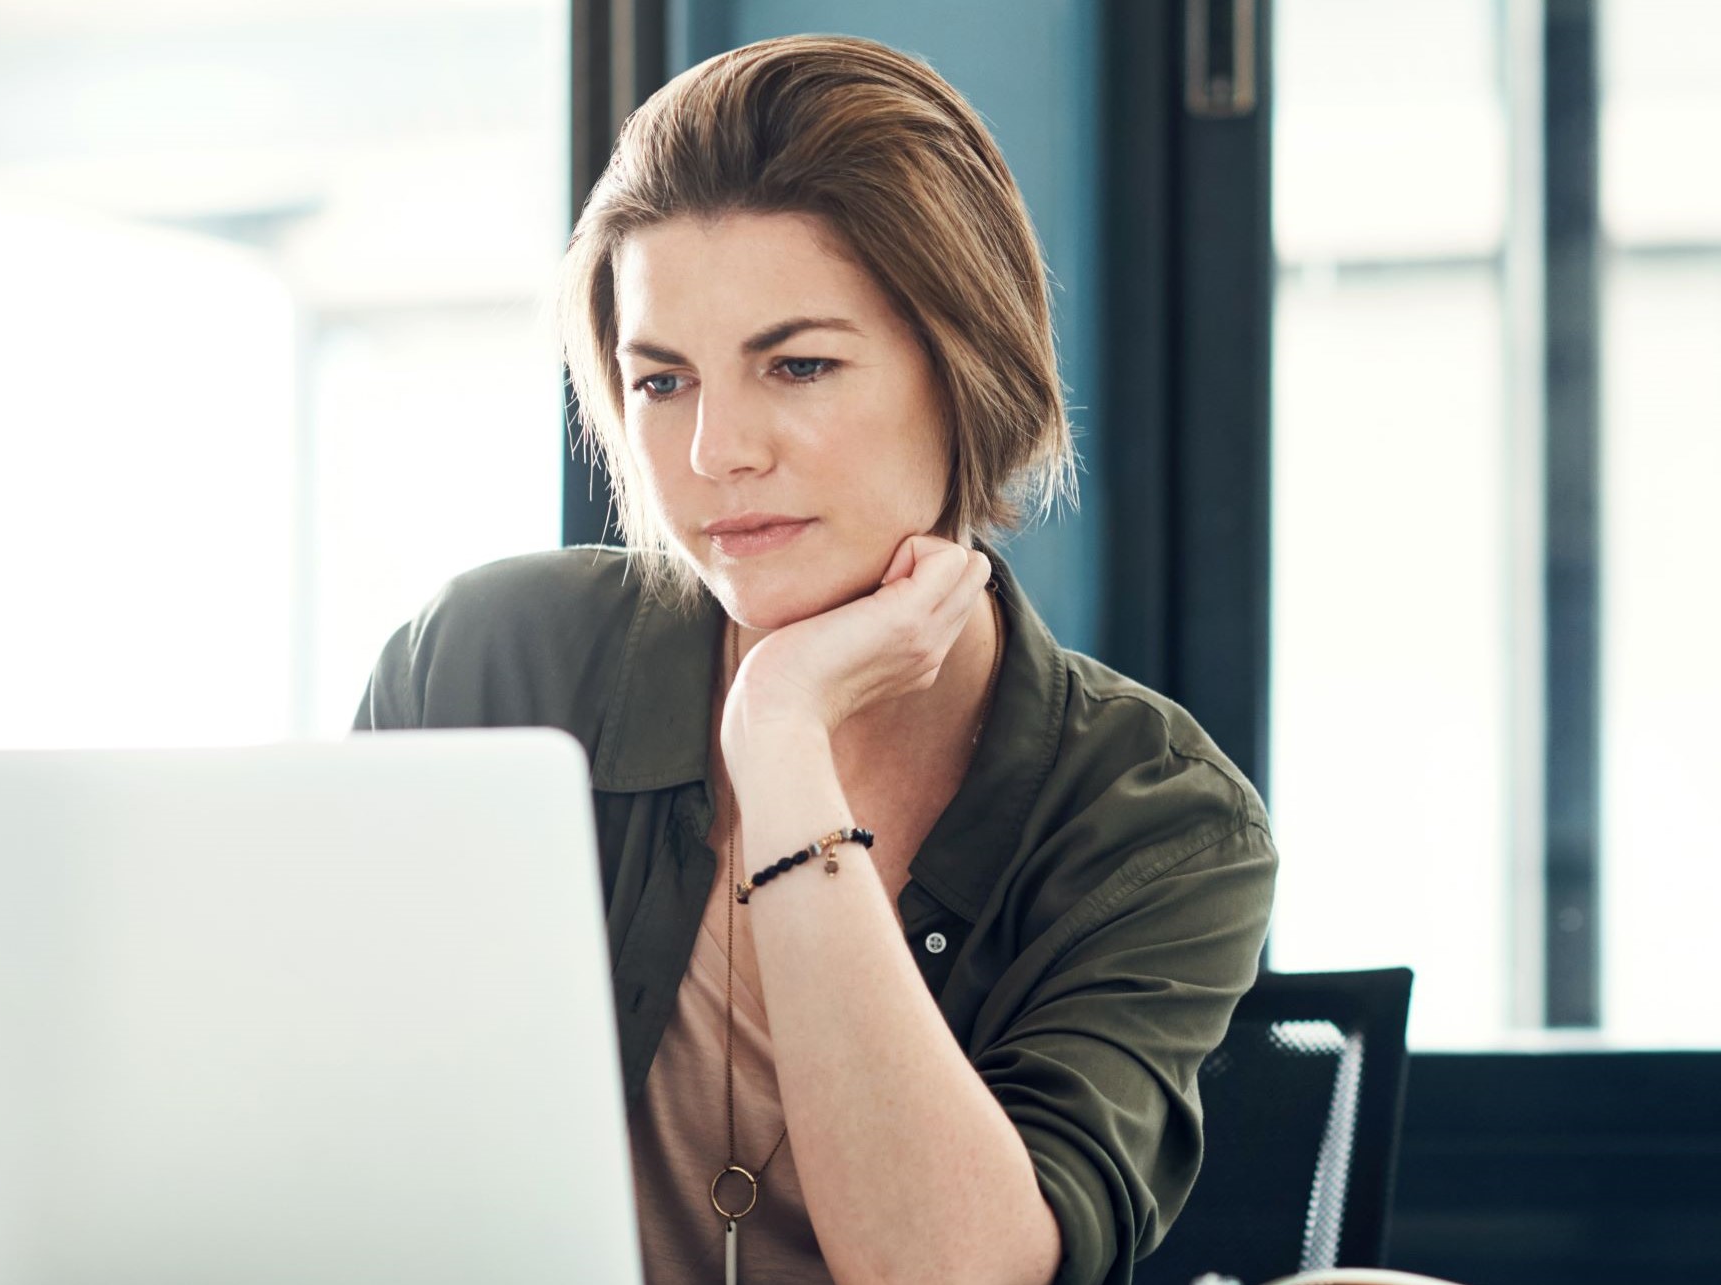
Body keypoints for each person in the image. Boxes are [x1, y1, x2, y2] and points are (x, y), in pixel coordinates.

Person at [354, 33, 1278, 1285]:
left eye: (797, 365)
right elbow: (322, 1141)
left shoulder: (1154, 819)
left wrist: (781, 741)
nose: (714, 451)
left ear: (967, 374)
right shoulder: (489, 670)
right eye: (663, 380)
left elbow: (949, 1274)